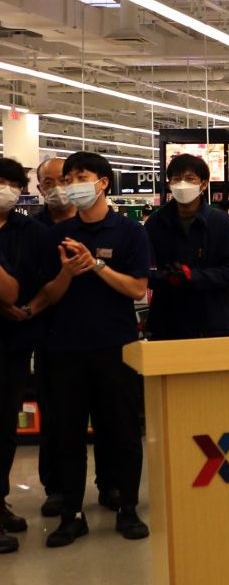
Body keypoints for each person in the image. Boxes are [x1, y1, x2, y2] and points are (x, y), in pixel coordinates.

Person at [28, 152, 152, 547]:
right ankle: (71, 515)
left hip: (116, 346)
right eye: (67, 179)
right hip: (64, 347)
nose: (70, 185)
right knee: (66, 434)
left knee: (122, 429)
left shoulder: (130, 232)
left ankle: (128, 507)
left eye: (80, 176)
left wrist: (95, 265)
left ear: (102, 182)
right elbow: (46, 295)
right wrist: (68, 270)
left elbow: (136, 288)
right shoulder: (53, 237)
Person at [143, 153, 229, 340]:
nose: (182, 184)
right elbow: (143, 269)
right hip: (167, 324)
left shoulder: (221, 222)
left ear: (204, 184)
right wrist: (165, 277)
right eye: (176, 179)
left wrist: (193, 276)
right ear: (169, 184)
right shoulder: (156, 223)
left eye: (190, 179)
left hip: (212, 324)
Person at [26, 155, 77, 518]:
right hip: (48, 337)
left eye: (64, 180)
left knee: (108, 417)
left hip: (98, 334)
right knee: (55, 418)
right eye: (49, 183)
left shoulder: (100, 223)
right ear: (40, 188)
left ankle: (112, 487)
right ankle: (55, 488)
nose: (56, 188)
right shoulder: (30, 231)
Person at [0, 158, 32, 552]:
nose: (4, 188)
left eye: (11, 182)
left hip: (11, 342)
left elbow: (22, 288)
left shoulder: (29, 231)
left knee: (5, 427)